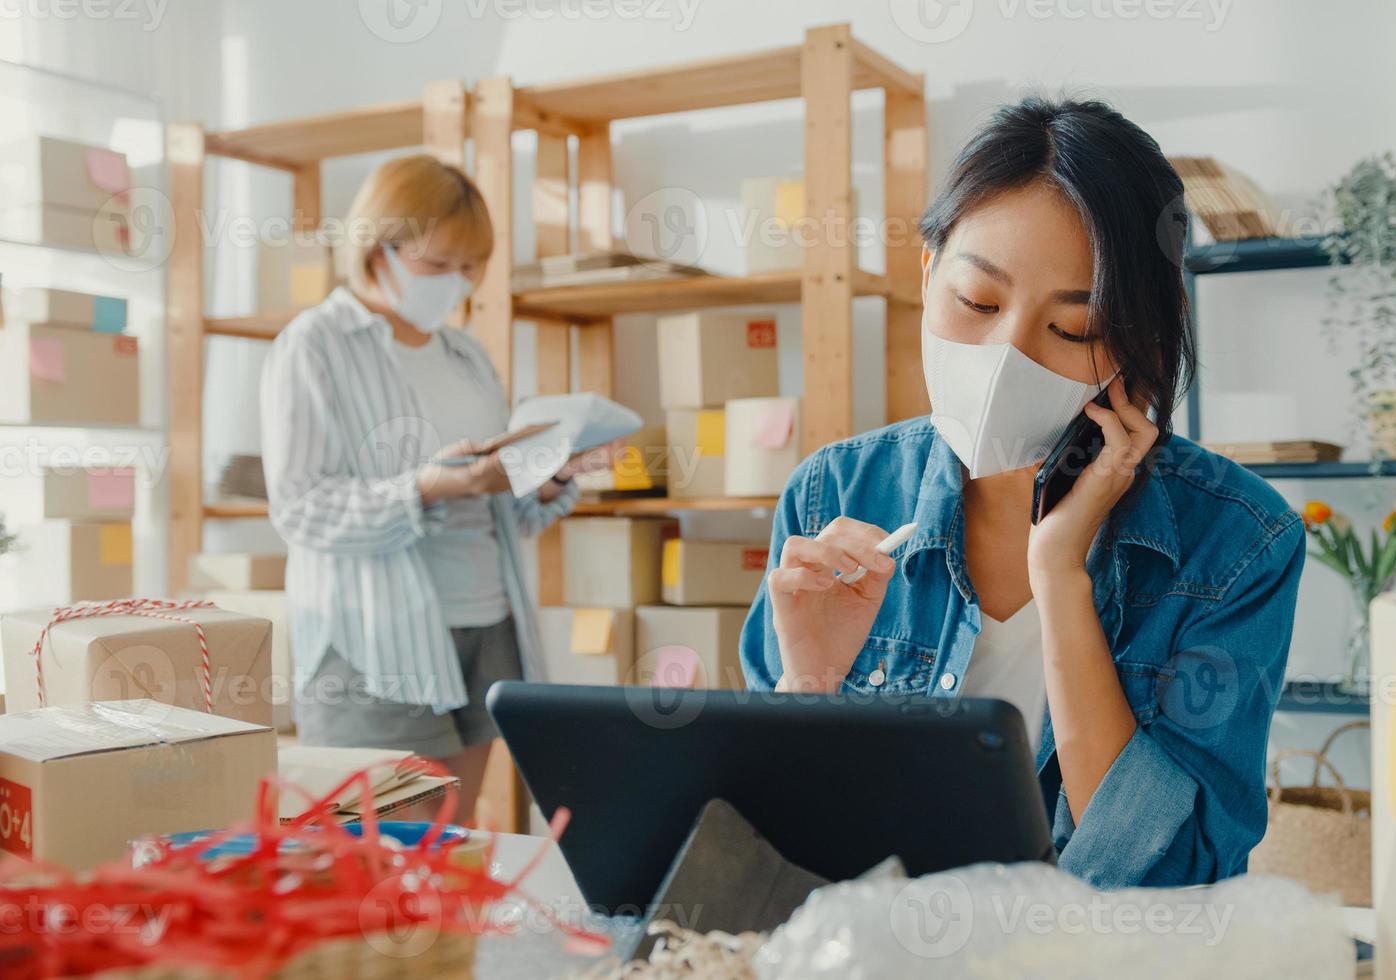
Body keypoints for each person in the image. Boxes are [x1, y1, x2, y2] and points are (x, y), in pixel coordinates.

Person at [740, 98, 1306, 888]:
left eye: (1072, 330)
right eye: (977, 303)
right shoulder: (833, 493)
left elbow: (1169, 872)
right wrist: (809, 688)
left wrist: (1060, 576)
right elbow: (770, 850)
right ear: (930, 274)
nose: (1005, 354)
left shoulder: (1240, 539)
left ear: (1136, 344)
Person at [261, 155, 607, 823]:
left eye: (471, 265)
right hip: (375, 640)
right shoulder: (314, 348)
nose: (458, 281)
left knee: (449, 845)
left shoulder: (466, 356)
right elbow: (301, 508)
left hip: (485, 625)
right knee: (380, 854)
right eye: (438, 263)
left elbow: (497, 512)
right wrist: (424, 487)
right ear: (377, 247)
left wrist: (550, 473)